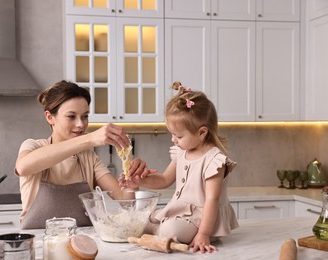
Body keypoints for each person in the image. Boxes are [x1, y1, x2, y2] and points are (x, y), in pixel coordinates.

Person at [119, 82, 239, 253]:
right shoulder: (182, 151)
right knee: (143, 219)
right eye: (172, 134)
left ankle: (160, 231)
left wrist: (203, 233)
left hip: (202, 219)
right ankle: (157, 230)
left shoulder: (214, 160)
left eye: (179, 135)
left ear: (202, 132)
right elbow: (164, 179)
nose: (173, 140)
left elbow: (212, 200)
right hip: (180, 212)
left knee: (170, 230)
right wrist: (140, 180)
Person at [15, 80, 150, 229]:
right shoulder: (33, 146)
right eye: (71, 116)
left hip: (84, 241)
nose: (80, 124)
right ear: (49, 117)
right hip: (41, 242)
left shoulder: (89, 158)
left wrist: (132, 185)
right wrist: (89, 138)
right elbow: (23, 168)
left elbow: (123, 200)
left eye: (85, 116)